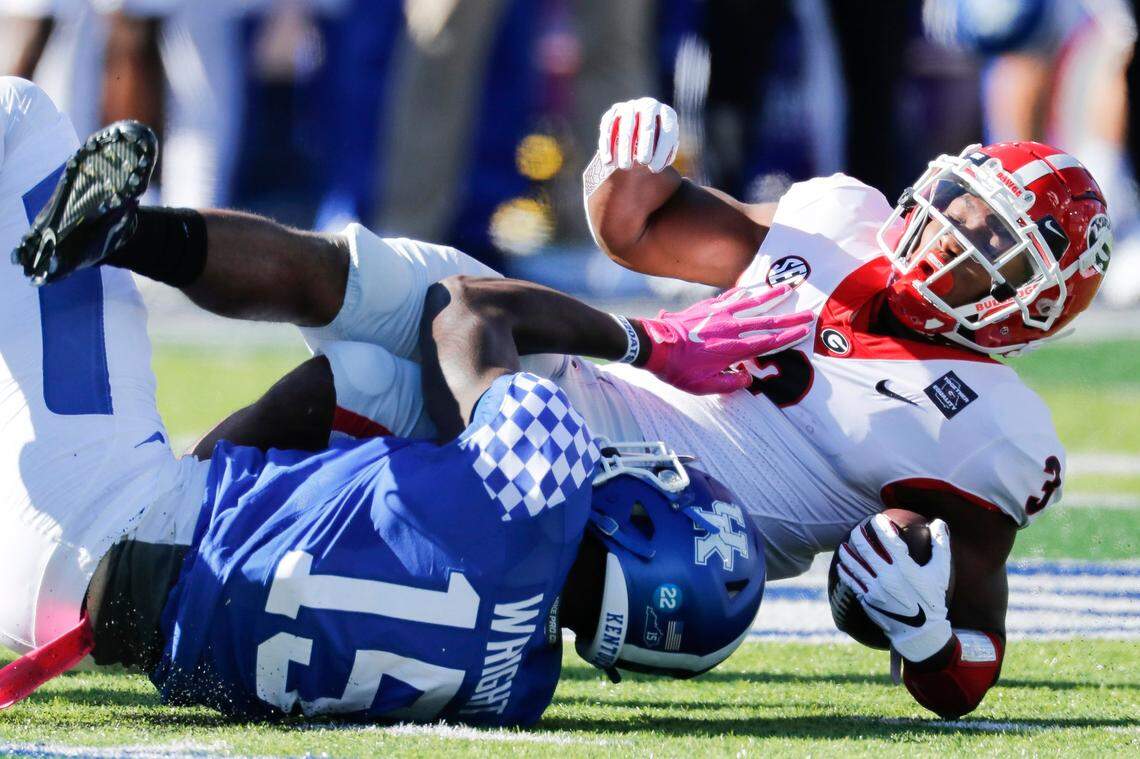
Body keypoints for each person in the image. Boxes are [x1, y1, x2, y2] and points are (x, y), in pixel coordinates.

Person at [0, 78, 802, 722]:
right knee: (376, 392)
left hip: (112, 509)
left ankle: (138, 236)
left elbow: (465, 305)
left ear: (642, 524)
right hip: (75, 624)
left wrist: (645, 343)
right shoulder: (519, 695)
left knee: (19, 114)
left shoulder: (550, 477)